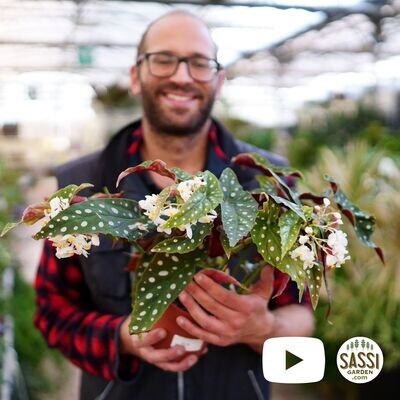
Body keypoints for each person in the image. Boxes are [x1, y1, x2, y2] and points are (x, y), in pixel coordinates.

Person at [34, 10, 314, 400]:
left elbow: (303, 314)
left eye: (199, 63)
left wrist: (264, 327)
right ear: (136, 76)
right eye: (163, 59)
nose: (182, 76)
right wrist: (123, 338)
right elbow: (52, 313)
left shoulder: (268, 181)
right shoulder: (81, 187)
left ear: (218, 80)